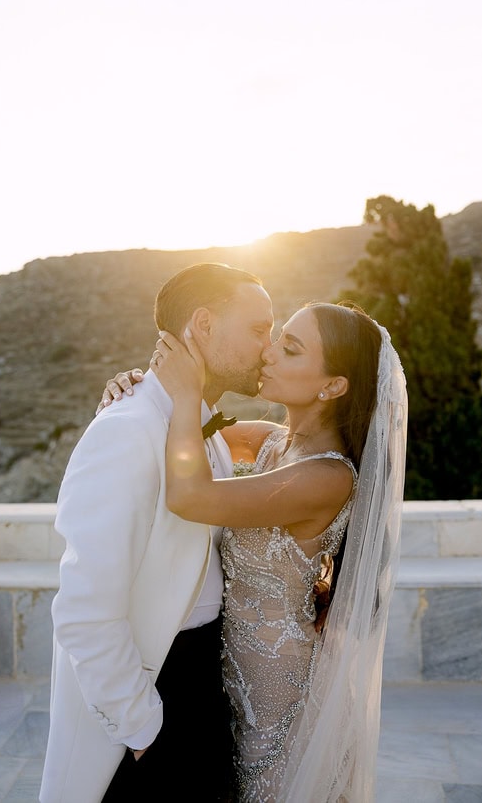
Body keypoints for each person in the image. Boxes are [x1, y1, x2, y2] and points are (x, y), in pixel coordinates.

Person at [99, 301, 408, 802]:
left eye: (290, 348)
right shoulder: (272, 444)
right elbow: (172, 430)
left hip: (282, 700)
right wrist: (139, 389)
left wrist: (181, 391)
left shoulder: (327, 478)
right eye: (274, 338)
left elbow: (190, 496)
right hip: (232, 684)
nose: (268, 353)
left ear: (333, 385)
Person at [39, 262, 274, 803]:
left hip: (199, 683)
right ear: (204, 325)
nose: (270, 345)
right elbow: (84, 610)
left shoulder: (201, 426)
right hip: (150, 706)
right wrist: (145, 731)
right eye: (259, 328)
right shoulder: (126, 430)